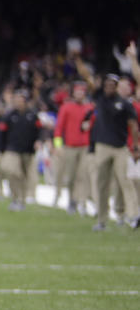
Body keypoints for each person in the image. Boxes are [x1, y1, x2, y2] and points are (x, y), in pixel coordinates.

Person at [81, 62, 140, 231]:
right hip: (102, 147)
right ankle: (101, 220)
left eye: (112, 85)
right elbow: (88, 79)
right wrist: (79, 62)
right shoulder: (100, 98)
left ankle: (134, 215)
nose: (108, 87)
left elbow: (134, 126)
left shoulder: (125, 104)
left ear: (116, 87)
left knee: (125, 181)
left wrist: (135, 145)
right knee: (101, 184)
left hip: (120, 147)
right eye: (106, 84)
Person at [53, 81, 93, 214]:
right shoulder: (66, 107)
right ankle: (72, 199)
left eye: (82, 92)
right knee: (71, 176)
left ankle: (82, 201)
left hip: (85, 146)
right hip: (70, 146)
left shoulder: (89, 108)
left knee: (83, 175)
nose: (80, 94)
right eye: (77, 92)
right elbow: (59, 128)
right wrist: (58, 145)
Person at [0, 92, 40, 211]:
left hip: (28, 150)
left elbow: (39, 130)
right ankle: (15, 197)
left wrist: (39, 141)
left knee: (26, 176)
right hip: (12, 149)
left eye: (20, 100)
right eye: (16, 100)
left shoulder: (32, 115)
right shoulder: (10, 115)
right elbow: (2, 132)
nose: (18, 103)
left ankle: (21, 200)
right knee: (12, 171)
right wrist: (2, 148)